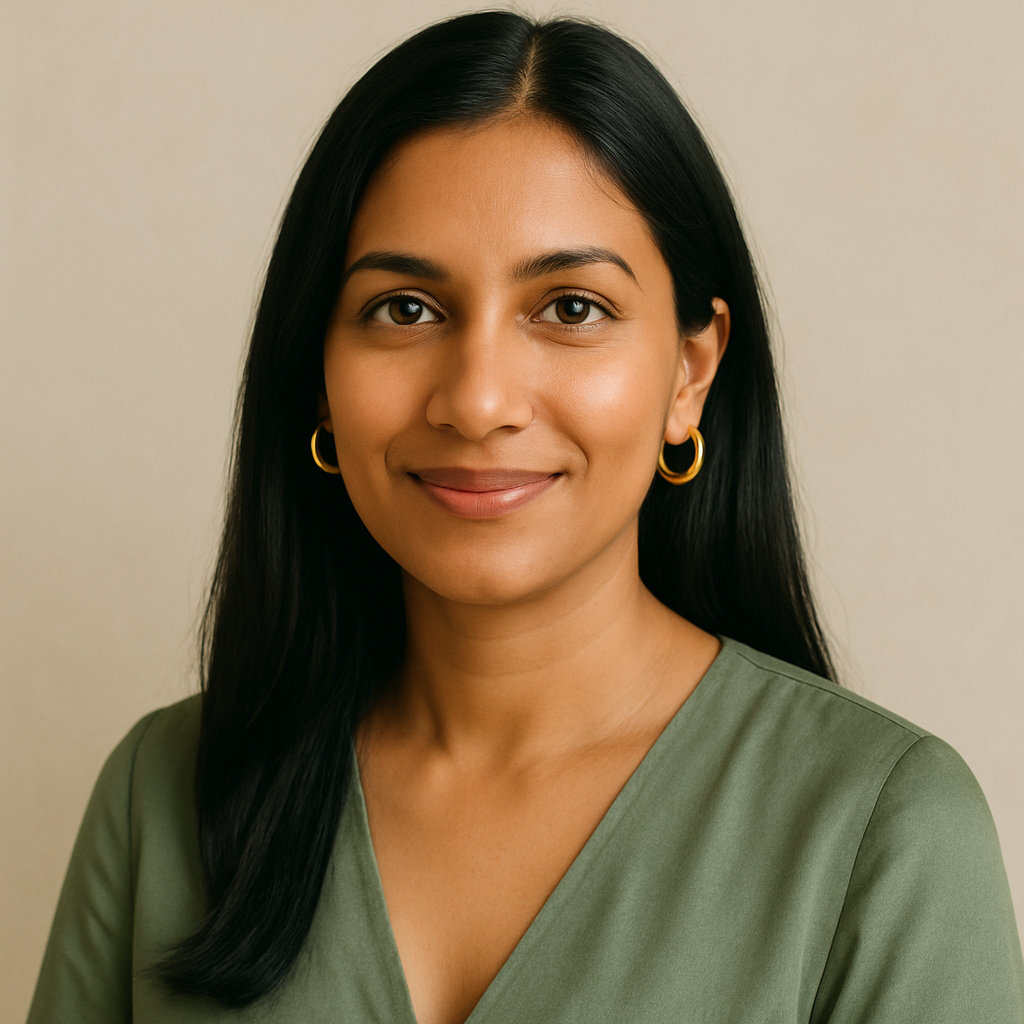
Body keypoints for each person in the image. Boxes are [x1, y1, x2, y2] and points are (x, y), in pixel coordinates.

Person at [26, 11, 1024, 1024]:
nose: (478, 401)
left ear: (690, 371)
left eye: (570, 308)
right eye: (405, 308)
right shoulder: (162, 794)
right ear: (318, 375)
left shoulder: (881, 829)